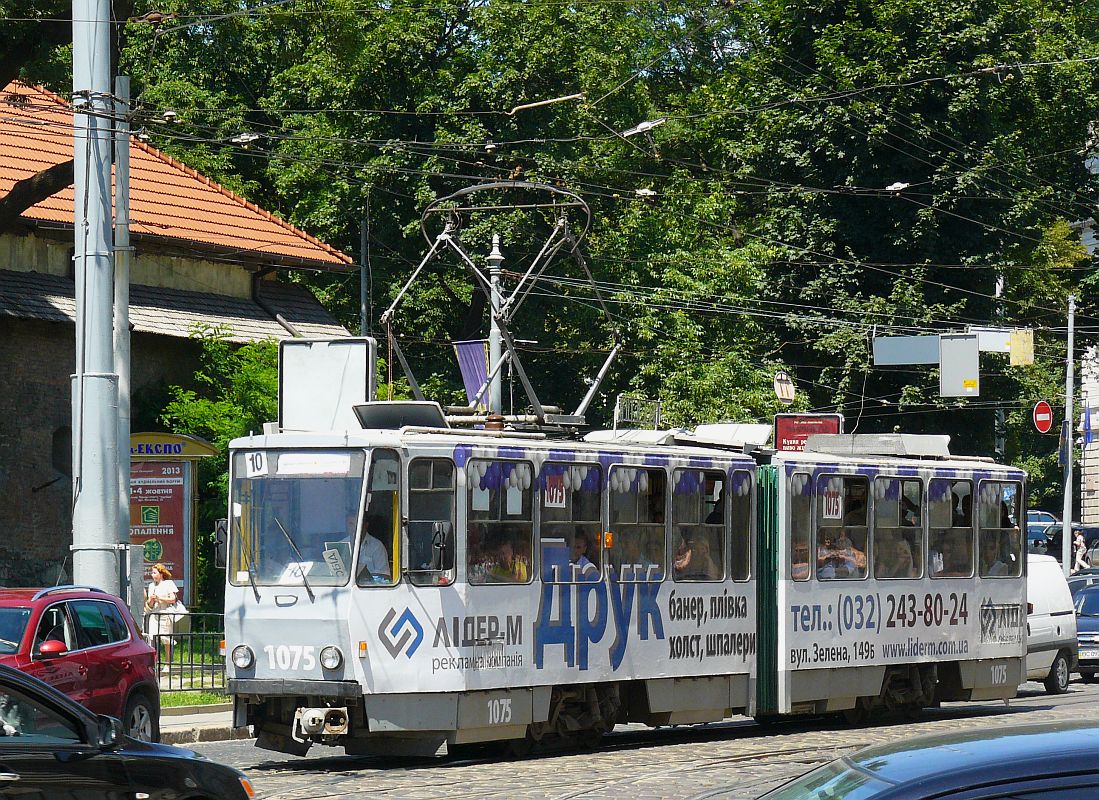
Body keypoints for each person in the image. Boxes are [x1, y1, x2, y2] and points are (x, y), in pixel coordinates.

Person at [144, 563, 179, 671]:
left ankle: (168, 663)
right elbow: (149, 605)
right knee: (152, 638)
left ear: (161, 573)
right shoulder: (151, 586)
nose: (152, 575)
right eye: (152, 573)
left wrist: (160, 598)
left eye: (155, 573)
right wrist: (151, 600)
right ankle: (154, 662)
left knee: (166, 640)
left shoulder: (168, 583)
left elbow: (173, 599)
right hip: (154, 614)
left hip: (165, 613)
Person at [354, 514, 391, 583]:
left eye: (356, 524)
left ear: (365, 525)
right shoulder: (342, 544)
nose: (353, 527)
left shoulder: (377, 546)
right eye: (349, 524)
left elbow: (384, 577)